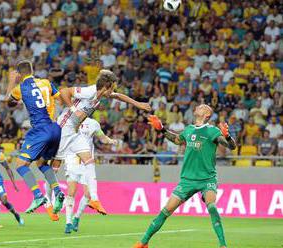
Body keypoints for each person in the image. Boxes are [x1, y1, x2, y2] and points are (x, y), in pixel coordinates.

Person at [134, 104, 236, 248]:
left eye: (203, 107)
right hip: (187, 180)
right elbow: (176, 140)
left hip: (207, 179)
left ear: (207, 115)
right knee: (166, 210)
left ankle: (223, 245)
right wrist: (161, 129)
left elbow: (231, 146)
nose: (199, 107)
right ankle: (143, 242)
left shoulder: (212, 131)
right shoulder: (189, 129)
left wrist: (228, 136)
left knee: (212, 206)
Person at [52, 69, 151, 215]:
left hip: (75, 131)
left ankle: (94, 199)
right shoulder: (88, 91)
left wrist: (138, 104)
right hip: (64, 128)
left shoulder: (100, 96)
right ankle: (51, 200)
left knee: (89, 160)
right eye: (112, 89)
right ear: (106, 86)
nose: (112, 92)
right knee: (55, 166)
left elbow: (119, 96)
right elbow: (64, 92)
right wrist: (74, 110)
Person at [6, 60, 64, 214]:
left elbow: (8, 102)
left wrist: (11, 82)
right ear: (31, 70)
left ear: (19, 74)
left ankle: (38, 196)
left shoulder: (20, 88)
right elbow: (60, 98)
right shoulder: (46, 82)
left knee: (20, 165)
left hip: (40, 130)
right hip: (55, 128)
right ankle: (57, 191)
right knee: (41, 164)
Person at [46, 117, 117, 234]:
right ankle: (68, 223)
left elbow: (102, 137)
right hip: (71, 161)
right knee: (71, 193)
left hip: (86, 163)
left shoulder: (93, 123)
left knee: (88, 194)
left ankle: (76, 217)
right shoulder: (68, 119)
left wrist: (110, 141)